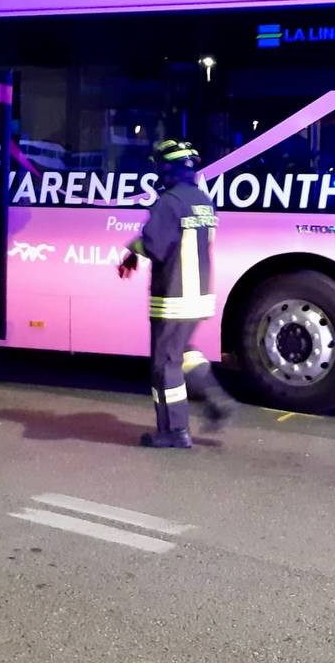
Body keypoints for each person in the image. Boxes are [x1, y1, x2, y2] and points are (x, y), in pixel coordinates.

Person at [117, 139, 236, 448]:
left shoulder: (169, 202)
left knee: (164, 366)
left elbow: (155, 245)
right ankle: (216, 398)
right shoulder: (203, 200)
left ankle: (174, 431)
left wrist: (131, 250)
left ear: (166, 168)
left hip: (172, 297)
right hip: (198, 296)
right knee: (182, 353)